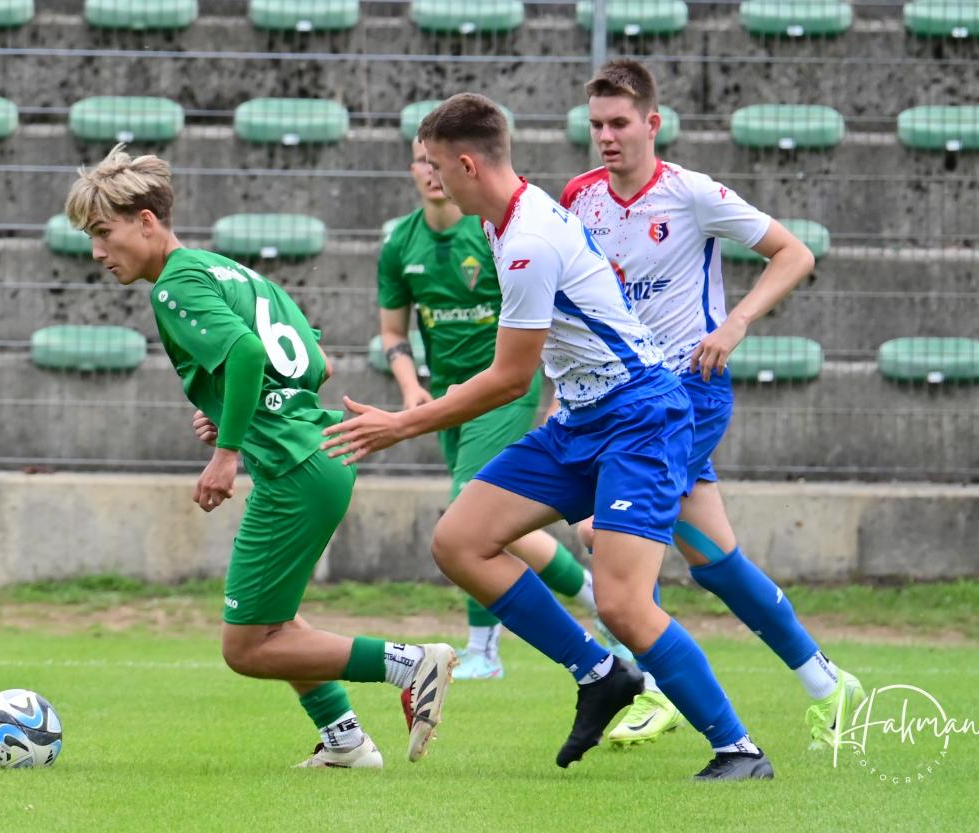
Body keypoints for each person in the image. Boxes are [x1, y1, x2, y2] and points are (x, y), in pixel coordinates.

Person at [324, 94, 773, 780]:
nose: (431, 179)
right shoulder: (503, 222)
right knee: (459, 541)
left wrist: (400, 423)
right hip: (582, 420)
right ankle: (599, 674)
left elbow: (510, 380)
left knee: (623, 603)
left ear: (468, 165)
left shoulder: (528, 240)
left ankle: (739, 749)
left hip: (640, 417)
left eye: (437, 166)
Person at [64, 144, 456, 769]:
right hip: (319, 455)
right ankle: (345, 743)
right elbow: (317, 363)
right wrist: (230, 408)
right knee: (276, 622)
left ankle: (411, 665)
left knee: (245, 648)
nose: (96, 251)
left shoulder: (174, 287)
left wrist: (227, 452)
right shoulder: (231, 272)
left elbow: (246, 353)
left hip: (293, 471)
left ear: (146, 221)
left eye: (103, 233)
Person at [560, 58, 863, 751]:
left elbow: (793, 254)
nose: (606, 136)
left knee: (608, 532)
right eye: (597, 124)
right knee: (712, 559)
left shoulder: (691, 194)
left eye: (619, 123)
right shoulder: (579, 197)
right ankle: (827, 681)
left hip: (687, 394)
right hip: (619, 399)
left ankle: (657, 690)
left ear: (652, 123)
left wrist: (735, 323)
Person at [377, 136, 625, 680]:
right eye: (422, 162)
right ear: (412, 169)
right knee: (496, 527)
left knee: (464, 511)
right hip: (448, 397)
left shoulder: (493, 233)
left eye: (438, 162)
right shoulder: (400, 244)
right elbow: (393, 331)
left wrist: (555, 390)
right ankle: (595, 597)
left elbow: (543, 317)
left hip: (498, 392)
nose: (432, 172)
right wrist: (410, 387)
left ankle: (483, 650)